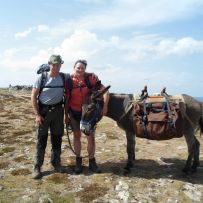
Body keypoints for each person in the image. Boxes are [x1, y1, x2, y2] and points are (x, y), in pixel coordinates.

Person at [65, 59, 109, 174]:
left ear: (85, 69)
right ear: (74, 68)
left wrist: (105, 106)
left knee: (91, 138)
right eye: (78, 68)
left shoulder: (91, 79)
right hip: (74, 112)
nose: (80, 70)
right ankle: (78, 161)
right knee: (76, 136)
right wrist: (66, 115)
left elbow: (105, 91)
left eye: (82, 68)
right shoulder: (68, 80)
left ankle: (91, 161)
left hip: (88, 114)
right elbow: (66, 99)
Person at [31, 55, 65, 179]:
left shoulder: (63, 77)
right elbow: (33, 96)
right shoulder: (42, 77)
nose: (56, 67)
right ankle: (37, 166)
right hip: (43, 112)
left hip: (58, 112)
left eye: (59, 64)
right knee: (41, 140)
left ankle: (56, 163)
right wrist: (37, 114)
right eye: (54, 64)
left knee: (57, 138)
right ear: (49, 64)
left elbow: (78, 74)